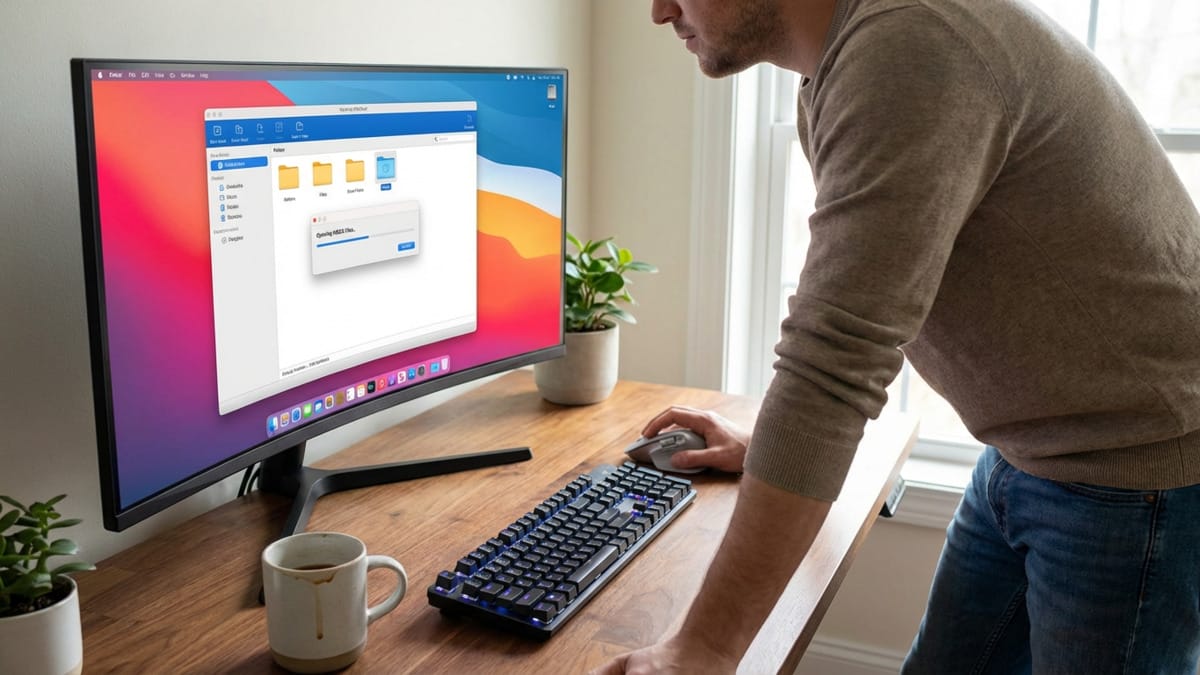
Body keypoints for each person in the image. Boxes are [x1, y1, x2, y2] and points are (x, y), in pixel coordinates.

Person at [593, 0, 1200, 673]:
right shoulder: (849, 55)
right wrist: (770, 442)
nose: (659, 10)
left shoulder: (911, 44)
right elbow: (863, 293)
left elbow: (834, 363)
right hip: (1031, 447)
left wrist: (703, 647)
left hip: (1137, 475)